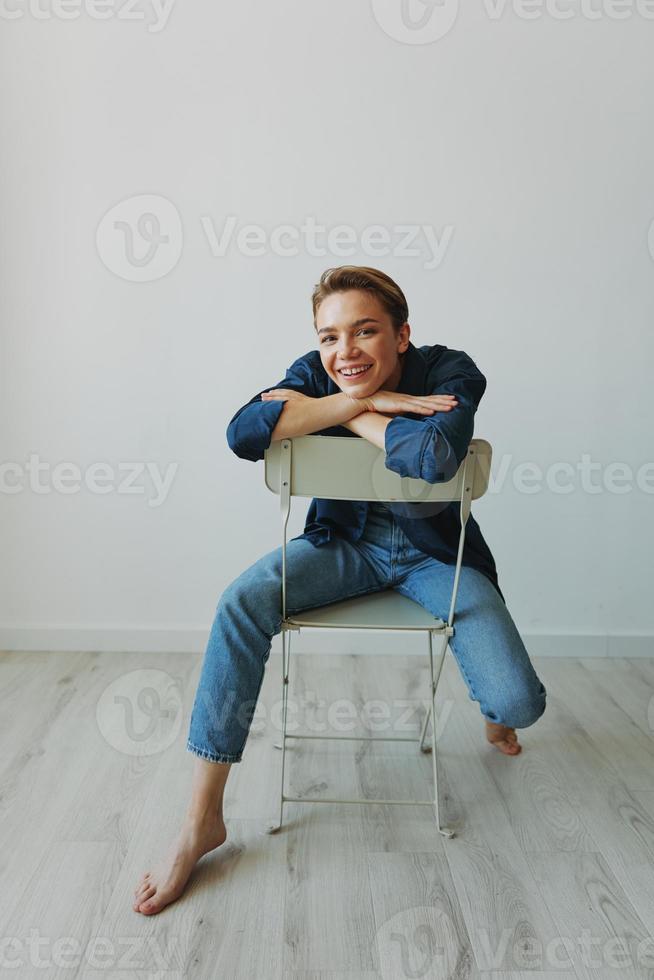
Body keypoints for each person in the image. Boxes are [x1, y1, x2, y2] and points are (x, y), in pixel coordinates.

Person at [133, 265, 547, 916]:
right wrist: (365, 403)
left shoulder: (450, 371)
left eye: (364, 332)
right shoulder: (318, 369)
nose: (344, 353)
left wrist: (335, 416)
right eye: (329, 338)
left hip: (436, 556)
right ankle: (200, 822)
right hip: (343, 547)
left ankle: (494, 717)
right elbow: (244, 433)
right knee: (242, 599)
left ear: (402, 334)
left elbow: (435, 456)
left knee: (520, 703)